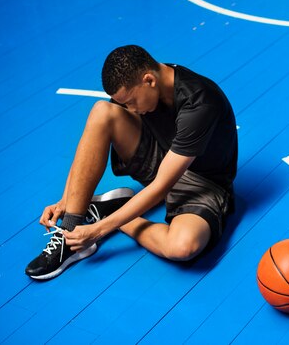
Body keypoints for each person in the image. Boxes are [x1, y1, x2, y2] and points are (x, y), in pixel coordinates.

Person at [25, 45, 238, 280]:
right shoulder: (138, 81)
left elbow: (161, 187)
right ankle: (72, 229)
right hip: (162, 154)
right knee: (102, 111)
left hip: (203, 183)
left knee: (183, 247)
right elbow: (102, 128)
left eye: (130, 102)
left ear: (149, 80)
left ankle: (111, 214)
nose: (129, 109)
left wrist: (99, 230)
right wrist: (66, 200)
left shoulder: (199, 101)